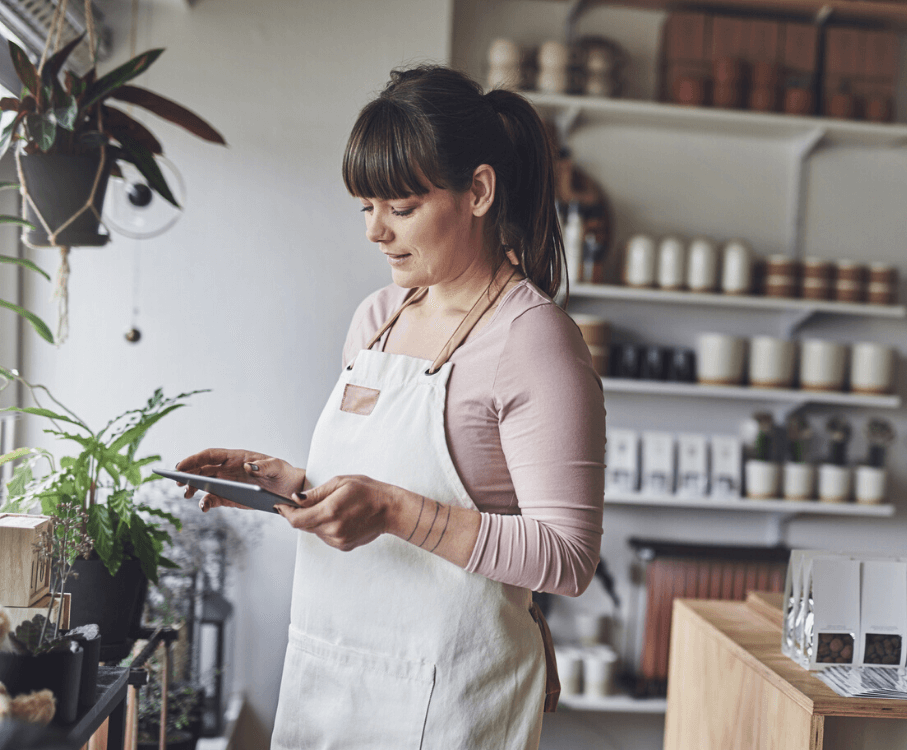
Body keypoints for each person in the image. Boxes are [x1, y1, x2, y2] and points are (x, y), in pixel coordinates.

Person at [175, 65, 605, 749]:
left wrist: (396, 512)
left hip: (452, 700)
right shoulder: (378, 317)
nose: (376, 232)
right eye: (365, 206)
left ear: (479, 192)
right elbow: (372, 490)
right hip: (329, 676)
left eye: (400, 208)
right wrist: (292, 485)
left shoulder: (532, 339)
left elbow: (567, 556)